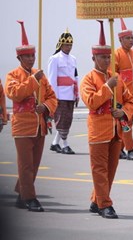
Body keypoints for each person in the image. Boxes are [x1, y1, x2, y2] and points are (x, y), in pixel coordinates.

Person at [80, 20, 133, 219]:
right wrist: (107, 87)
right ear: (93, 57)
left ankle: (97, 200)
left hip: (116, 130)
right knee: (99, 170)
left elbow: (129, 99)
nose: (106, 60)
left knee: (110, 170)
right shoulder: (88, 79)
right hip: (98, 130)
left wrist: (124, 112)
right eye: (102, 57)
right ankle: (105, 204)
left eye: (108, 57)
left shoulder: (116, 77)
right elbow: (92, 102)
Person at [6, 21, 58, 211]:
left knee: (34, 164)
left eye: (32, 55)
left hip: (40, 125)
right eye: (26, 56)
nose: (30, 59)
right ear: (19, 57)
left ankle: (22, 193)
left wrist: (45, 106)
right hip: (22, 127)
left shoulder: (40, 75)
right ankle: (30, 198)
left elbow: (53, 97)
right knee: (26, 164)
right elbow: (15, 94)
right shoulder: (12, 75)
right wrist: (32, 81)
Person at [115, 18, 133, 161]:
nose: (131, 40)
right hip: (123, 95)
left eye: (132, 37)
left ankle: (119, 149)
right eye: (128, 38)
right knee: (125, 122)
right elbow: (113, 75)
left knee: (127, 123)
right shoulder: (117, 54)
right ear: (120, 40)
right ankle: (130, 149)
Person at [46, 30, 78, 155]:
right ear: (61, 44)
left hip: (70, 93)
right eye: (66, 45)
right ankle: (65, 144)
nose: (69, 47)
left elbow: (76, 77)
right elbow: (52, 79)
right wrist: (53, 97)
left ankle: (55, 143)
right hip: (60, 94)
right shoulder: (54, 59)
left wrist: (77, 93)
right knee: (61, 120)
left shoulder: (73, 59)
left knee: (67, 120)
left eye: (70, 45)